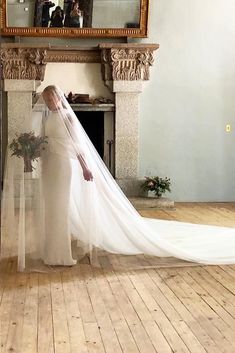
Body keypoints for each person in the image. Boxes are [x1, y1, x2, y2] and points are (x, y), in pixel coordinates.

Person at [1, 85, 235, 272]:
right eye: (47, 98)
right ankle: (49, 250)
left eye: (52, 98)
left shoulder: (68, 118)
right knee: (51, 207)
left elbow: (78, 147)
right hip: (51, 166)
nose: (50, 102)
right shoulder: (46, 118)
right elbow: (44, 142)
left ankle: (61, 255)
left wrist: (85, 168)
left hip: (65, 165)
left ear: (59, 98)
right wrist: (30, 151)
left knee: (60, 207)